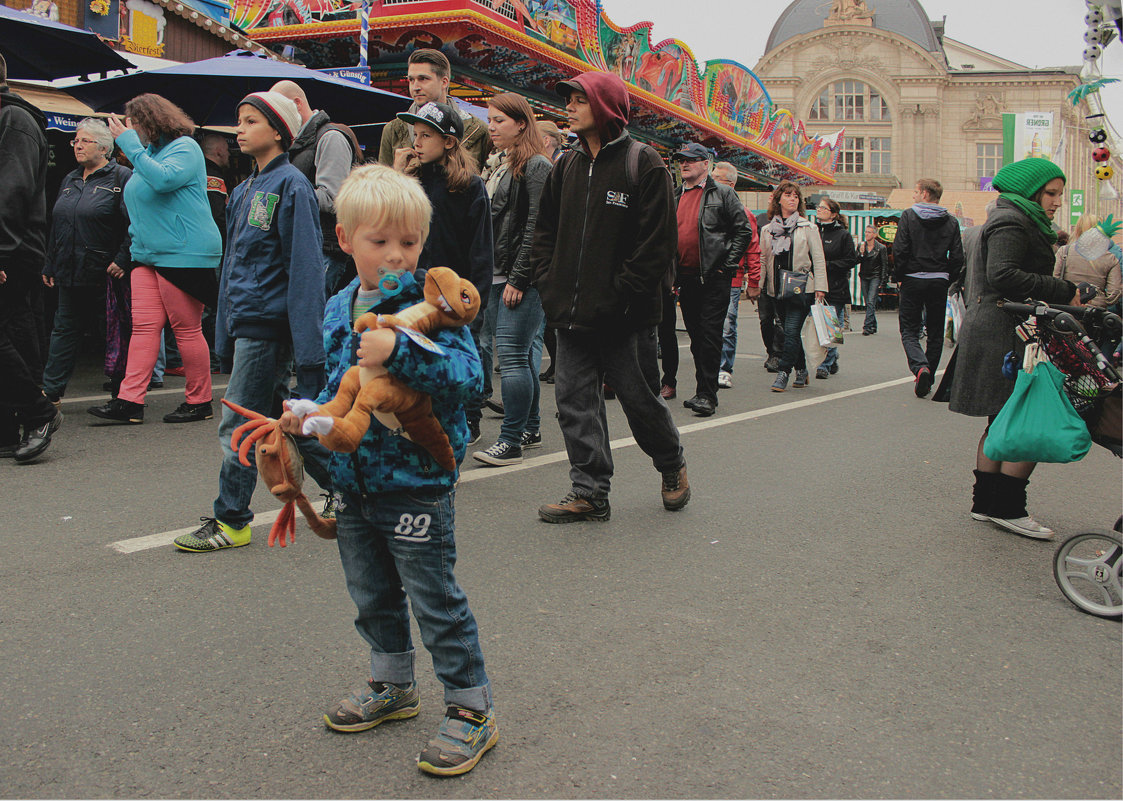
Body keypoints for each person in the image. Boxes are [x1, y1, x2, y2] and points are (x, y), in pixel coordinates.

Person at [278, 164, 497, 776]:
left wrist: (401, 349)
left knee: (434, 600)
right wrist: (309, 415)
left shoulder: (433, 305)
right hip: (354, 484)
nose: (397, 255)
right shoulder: (337, 305)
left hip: (417, 485)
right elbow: (334, 386)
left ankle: (471, 709)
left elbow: (467, 380)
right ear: (345, 239)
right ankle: (393, 684)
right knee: (371, 594)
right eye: (380, 242)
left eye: (409, 242)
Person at [173, 91, 334, 552]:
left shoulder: (292, 186)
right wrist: (222, 331)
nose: (238, 130)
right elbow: (231, 270)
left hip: (270, 327)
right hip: (246, 324)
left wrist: (309, 352)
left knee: (238, 425)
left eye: (249, 122)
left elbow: (305, 270)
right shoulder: (243, 191)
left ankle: (232, 521)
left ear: (279, 131)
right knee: (284, 420)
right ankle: (347, 488)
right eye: (238, 122)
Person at [531, 70, 689, 521]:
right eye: (570, 100)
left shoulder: (645, 163)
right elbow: (545, 232)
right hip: (571, 315)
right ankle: (590, 491)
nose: (569, 107)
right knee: (574, 403)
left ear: (604, 106)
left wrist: (621, 295)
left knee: (641, 402)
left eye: (579, 100)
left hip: (625, 316)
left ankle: (671, 463)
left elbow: (656, 246)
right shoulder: (566, 164)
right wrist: (550, 284)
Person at [948, 158, 1080, 540]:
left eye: (1059, 193)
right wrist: (1064, 290)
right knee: (1028, 421)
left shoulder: (1010, 216)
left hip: (999, 327)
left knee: (1001, 420)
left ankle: (985, 503)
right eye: (1051, 193)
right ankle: (1007, 508)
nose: (1057, 201)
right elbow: (1003, 275)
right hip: (1005, 331)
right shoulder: (1012, 220)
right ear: (1031, 191)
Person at [88, 94, 221, 425]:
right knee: (144, 328)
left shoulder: (185, 148)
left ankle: (199, 400)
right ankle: (129, 401)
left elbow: (163, 180)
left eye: (134, 123)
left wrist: (130, 145)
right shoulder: (147, 153)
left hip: (184, 253)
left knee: (186, 329)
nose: (130, 129)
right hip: (147, 255)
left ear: (149, 122)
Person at [394, 99, 493, 444]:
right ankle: (422, 425)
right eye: (415, 134)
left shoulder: (469, 186)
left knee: (459, 359)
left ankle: (469, 417)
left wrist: (473, 304)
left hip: (455, 293)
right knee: (419, 361)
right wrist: (396, 175)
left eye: (426, 136)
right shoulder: (411, 181)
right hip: (413, 293)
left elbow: (481, 252)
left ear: (449, 141)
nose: (416, 143)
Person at [472, 92, 552, 465]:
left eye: (499, 120)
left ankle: (512, 439)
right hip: (497, 274)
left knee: (514, 358)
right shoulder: (498, 165)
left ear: (522, 124)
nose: (491, 126)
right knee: (517, 356)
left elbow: (538, 226)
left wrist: (520, 278)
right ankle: (531, 427)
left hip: (520, 278)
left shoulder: (535, 165)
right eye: (489, 119)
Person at [40, 118, 132, 405]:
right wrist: (50, 262)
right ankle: (50, 391)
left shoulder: (122, 177)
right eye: (75, 140)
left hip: (107, 273)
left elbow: (136, 223)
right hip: (70, 269)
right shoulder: (69, 179)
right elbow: (56, 224)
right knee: (64, 330)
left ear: (104, 147)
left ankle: (123, 393)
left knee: (114, 332)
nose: (78, 145)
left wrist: (123, 258)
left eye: (85, 140)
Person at [0, 58, 62, 463]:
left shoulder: (13, 119)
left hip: (13, 247)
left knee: (13, 333)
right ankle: (11, 425)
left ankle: (39, 412)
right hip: (14, 245)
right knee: (17, 332)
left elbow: (12, 191)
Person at [672, 144, 752, 416]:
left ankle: (707, 395)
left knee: (709, 335)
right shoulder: (676, 194)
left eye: (691, 160)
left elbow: (743, 231)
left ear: (705, 164)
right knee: (696, 336)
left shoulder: (723, 193)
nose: (684, 165)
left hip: (714, 277)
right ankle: (702, 390)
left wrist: (726, 265)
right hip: (686, 277)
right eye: (681, 160)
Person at [270, 80, 362, 296]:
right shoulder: (297, 142)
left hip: (326, 247)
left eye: (277, 110)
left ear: (296, 104)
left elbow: (333, 198)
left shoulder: (330, 137)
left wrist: (283, 194)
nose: (275, 118)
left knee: (312, 315)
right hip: (306, 246)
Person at [893, 178, 965, 398]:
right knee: (935, 331)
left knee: (909, 329)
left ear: (924, 193)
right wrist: (947, 276)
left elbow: (900, 248)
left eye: (915, 192)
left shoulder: (908, 216)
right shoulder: (951, 221)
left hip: (912, 277)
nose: (913, 196)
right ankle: (928, 375)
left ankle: (919, 366)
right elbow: (958, 256)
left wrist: (900, 275)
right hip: (939, 279)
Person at [759, 182, 826, 392]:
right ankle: (802, 369)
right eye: (788, 195)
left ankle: (784, 372)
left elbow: (818, 258)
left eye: (796, 196)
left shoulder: (808, 227)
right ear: (779, 199)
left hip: (801, 288)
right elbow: (762, 259)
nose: (793, 199)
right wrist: (757, 286)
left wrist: (821, 287)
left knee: (790, 331)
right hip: (776, 288)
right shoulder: (768, 230)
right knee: (791, 332)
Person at [378, 49, 490, 171]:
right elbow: (382, 186)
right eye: (411, 80)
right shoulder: (393, 130)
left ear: (444, 82)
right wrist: (397, 171)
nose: (415, 87)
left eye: (423, 79)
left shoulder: (477, 130)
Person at [712, 161, 759, 390]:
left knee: (727, 324)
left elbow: (752, 248)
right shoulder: (707, 206)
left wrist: (754, 281)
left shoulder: (743, 212)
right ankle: (710, 366)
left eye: (717, 178)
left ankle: (724, 368)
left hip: (731, 278)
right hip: (708, 276)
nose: (711, 181)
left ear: (730, 184)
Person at [813, 197, 857, 379]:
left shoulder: (843, 235)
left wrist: (827, 265)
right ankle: (830, 356)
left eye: (823, 208)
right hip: (814, 285)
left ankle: (826, 363)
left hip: (835, 286)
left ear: (833, 213)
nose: (819, 210)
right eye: (818, 207)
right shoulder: (813, 230)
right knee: (815, 326)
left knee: (830, 326)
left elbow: (850, 260)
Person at [1054, 213, 1122, 309]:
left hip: (1068, 310)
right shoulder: (1111, 258)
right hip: (1096, 313)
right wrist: (1099, 300)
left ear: (1078, 230)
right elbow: (1114, 294)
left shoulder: (1064, 252)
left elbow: (1055, 281)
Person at [857, 223, 888, 335]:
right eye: (866, 232)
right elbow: (856, 261)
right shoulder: (862, 245)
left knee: (871, 300)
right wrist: (860, 253)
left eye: (869, 232)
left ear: (874, 234)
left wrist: (883, 281)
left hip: (875, 276)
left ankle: (867, 326)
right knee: (868, 301)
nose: (867, 234)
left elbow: (885, 264)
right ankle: (873, 324)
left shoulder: (881, 248)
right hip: (864, 276)